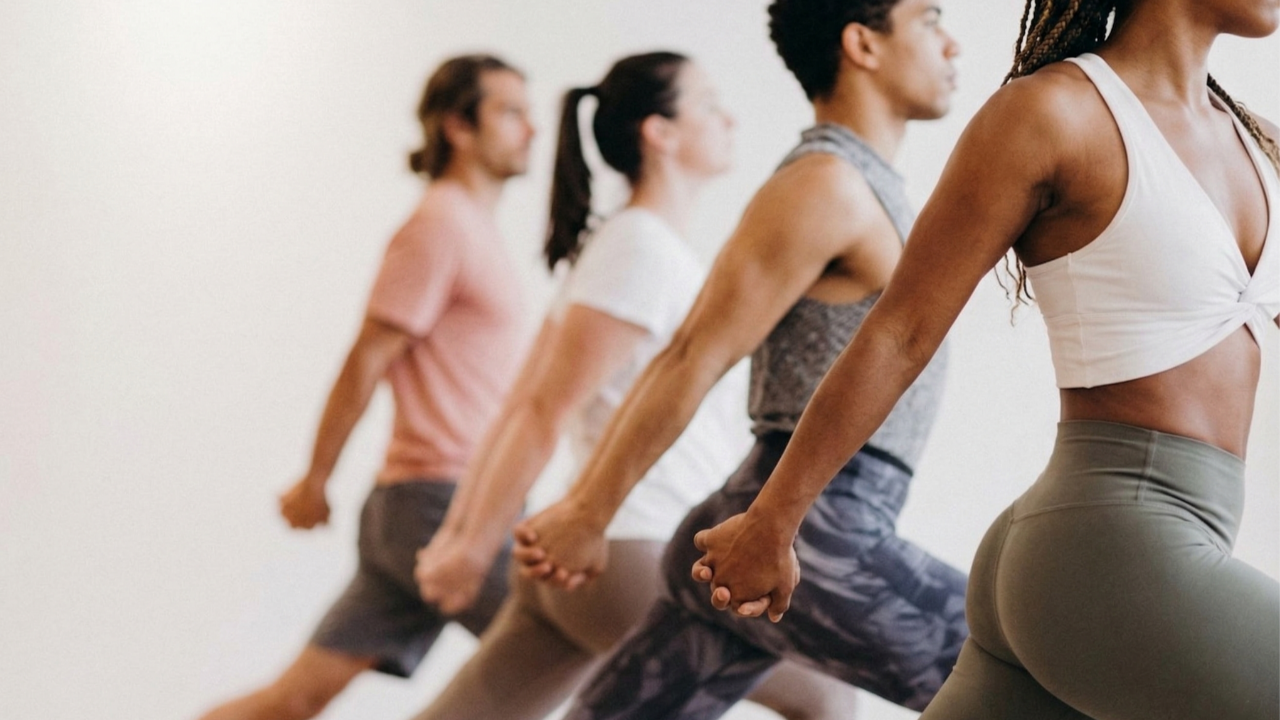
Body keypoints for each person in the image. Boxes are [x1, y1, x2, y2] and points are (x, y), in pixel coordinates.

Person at [691, 0, 1280, 717]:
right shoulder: (1051, 115)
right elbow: (899, 330)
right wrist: (772, 519)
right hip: (1110, 549)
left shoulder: (1257, 144)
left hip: (1105, 552)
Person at [513, 1, 969, 717]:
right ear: (863, 45)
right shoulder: (825, 184)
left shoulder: (872, 191)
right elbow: (693, 355)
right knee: (1028, 678)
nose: (953, 43)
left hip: (787, 526)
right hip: (808, 534)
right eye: (929, 19)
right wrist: (586, 512)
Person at [406, 51, 859, 720]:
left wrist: (470, 535)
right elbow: (537, 409)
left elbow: (524, 402)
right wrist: (469, 543)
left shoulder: (634, 246)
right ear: (660, 133)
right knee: (827, 699)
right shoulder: (637, 248)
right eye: (708, 104)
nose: (728, 117)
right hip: (634, 546)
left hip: (604, 553)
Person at [197, 53, 534, 720]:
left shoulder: (472, 227)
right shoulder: (439, 224)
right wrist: (315, 479)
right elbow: (367, 359)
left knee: (295, 700)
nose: (532, 129)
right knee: (571, 651)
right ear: (457, 127)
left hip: (422, 504)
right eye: (511, 112)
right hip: (441, 504)